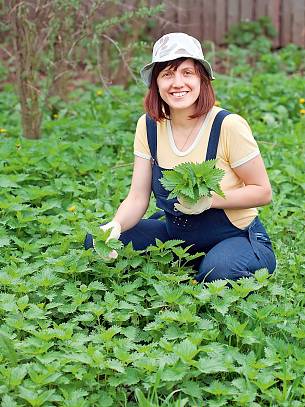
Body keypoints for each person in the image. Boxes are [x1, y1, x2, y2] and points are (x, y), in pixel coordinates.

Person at [85, 32, 276, 283]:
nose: (178, 83)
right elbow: (138, 196)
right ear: (156, 83)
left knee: (217, 272)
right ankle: (194, 260)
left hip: (237, 237)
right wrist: (116, 226)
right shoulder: (149, 126)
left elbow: (262, 192)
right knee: (95, 240)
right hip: (178, 238)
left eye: (187, 73)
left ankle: (214, 263)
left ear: (202, 79)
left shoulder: (228, 126)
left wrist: (210, 200)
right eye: (167, 74)